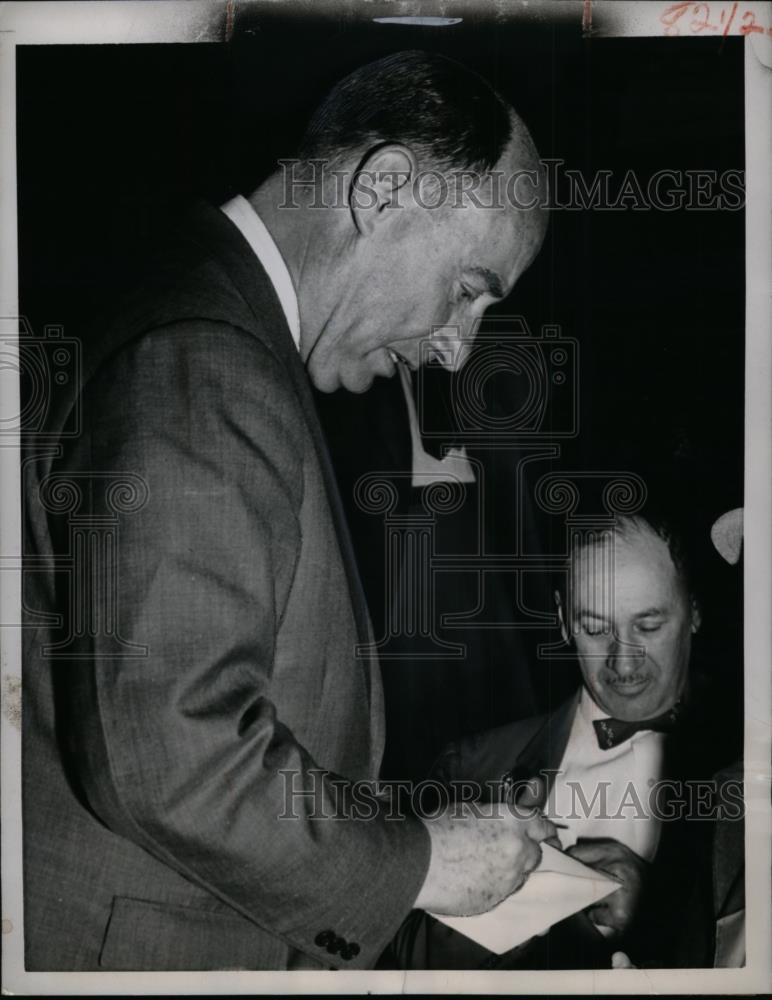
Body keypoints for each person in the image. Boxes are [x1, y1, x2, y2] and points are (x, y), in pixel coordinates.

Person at [21, 50, 553, 971]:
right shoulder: (206, 357)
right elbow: (173, 758)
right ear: (383, 191)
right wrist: (421, 863)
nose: (460, 352)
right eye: (467, 292)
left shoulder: (204, 317)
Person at [388, 511, 735, 969]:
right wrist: (512, 899)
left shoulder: (748, 753)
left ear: (694, 611)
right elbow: (403, 959)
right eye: (594, 628)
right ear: (563, 621)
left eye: (648, 627)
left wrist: (655, 907)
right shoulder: (473, 764)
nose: (623, 663)